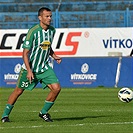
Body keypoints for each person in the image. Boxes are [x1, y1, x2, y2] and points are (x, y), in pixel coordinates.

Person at [1, 7, 62, 123]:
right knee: (18, 91)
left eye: (50, 16)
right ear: (40, 17)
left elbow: (47, 46)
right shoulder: (33, 31)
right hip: (30, 68)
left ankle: (43, 113)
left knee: (56, 88)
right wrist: (29, 70)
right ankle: (5, 115)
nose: (49, 19)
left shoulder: (52, 31)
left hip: (44, 67)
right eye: (47, 16)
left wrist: (54, 56)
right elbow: (25, 53)